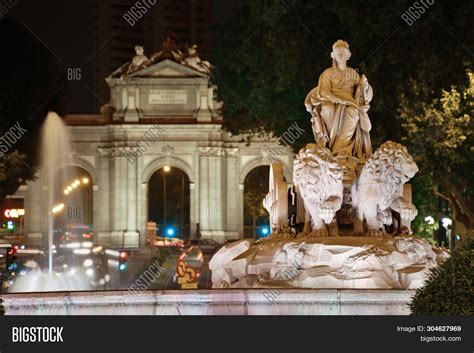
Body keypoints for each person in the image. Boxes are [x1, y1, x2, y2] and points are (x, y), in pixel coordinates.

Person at [305, 40, 373, 159]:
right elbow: (323, 90)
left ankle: (339, 147)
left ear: (348, 55)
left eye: (343, 53)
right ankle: (329, 144)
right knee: (327, 109)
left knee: (353, 112)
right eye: (338, 53)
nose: (340, 55)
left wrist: (365, 85)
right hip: (332, 100)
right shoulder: (327, 73)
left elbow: (361, 92)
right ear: (333, 55)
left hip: (350, 102)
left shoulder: (353, 73)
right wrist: (336, 99)